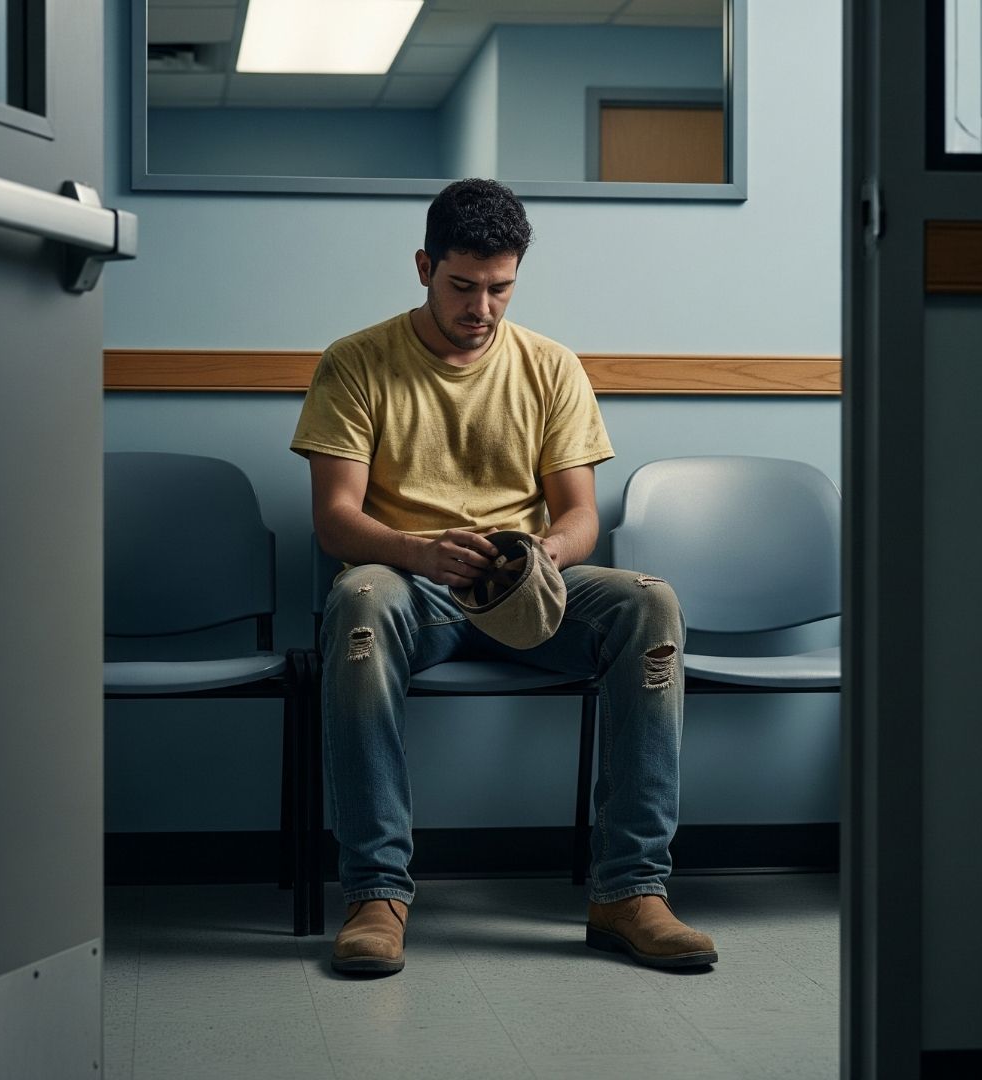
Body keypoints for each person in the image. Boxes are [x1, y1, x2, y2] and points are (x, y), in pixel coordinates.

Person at [291, 178, 717, 976]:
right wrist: (420, 551)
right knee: (357, 596)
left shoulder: (551, 366)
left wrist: (540, 557)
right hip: (410, 588)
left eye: (500, 288)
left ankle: (630, 891)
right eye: (463, 286)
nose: (481, 308)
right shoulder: (355, 361)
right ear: (425, 267)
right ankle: (375, 894)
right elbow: (335, 520)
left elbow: (581, 516)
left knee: (649, 604)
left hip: (525, 589)